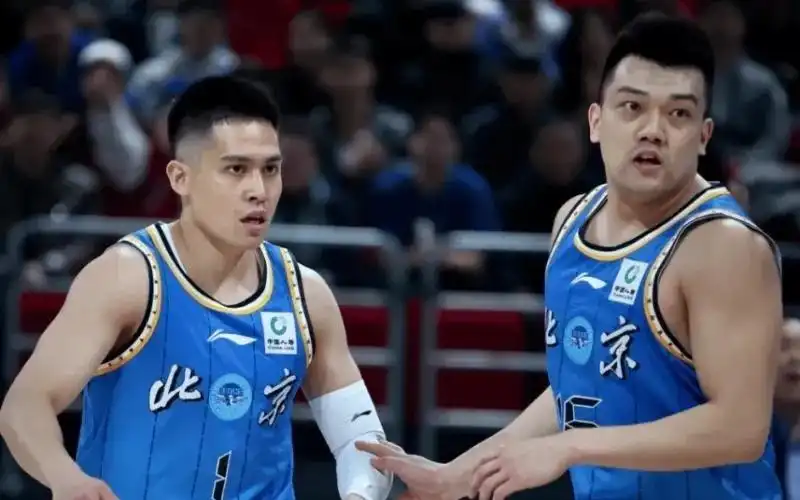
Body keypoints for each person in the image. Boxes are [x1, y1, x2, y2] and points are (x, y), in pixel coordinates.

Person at [357, 13, 783, 500]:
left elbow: (740, 427)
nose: (653, 130)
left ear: (704, 136)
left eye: (678, 114)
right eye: (633, 107)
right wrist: (460, 472)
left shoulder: (723, 246)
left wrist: (570, 447)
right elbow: (578, 383)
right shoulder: (572, 219)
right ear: (596, 121)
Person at [0, 75, 393, 500]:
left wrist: (360, 495)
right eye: (236, 169)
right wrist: (66, 477)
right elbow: (26, 405)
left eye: (270, 169)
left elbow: (362, 439)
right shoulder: (127, 277)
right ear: (180, 177)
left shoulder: (306, 294)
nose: (258, 191)